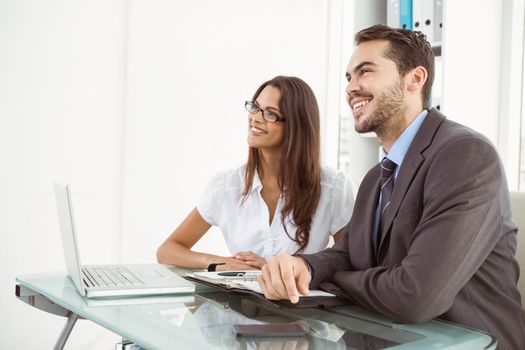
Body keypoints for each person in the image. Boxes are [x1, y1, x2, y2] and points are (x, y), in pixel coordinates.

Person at [258, 25, 525, 350]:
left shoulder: (465, 155)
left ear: (415, 79)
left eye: (365, 72)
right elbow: (347, 254)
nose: (352, 88)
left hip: (469, 342)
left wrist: (326, 279)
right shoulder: (376, 177)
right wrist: (304, 265)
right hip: (389, 337)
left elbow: (416, 296)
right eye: (348, 78)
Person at [157, 76, 355, 272]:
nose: (256, 118)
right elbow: (167, 250)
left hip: (302, 301)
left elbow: (348, 262)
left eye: (271, 114)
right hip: (241, 302)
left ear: (296, 126)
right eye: (255, 108)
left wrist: (273, 269)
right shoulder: (225, 186)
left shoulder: (334, 187)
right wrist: (220, 262)